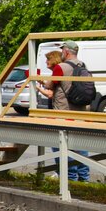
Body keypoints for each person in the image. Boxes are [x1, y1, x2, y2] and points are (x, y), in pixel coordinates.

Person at [37, 40, 90, 182]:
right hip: (79, 112)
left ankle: (70, 177)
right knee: (81, 147)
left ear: (66, 52)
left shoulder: (61, 67)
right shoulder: (82, 65)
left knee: (61, 146)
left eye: (62, 51)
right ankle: (84, 177)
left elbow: (50, 86)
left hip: (63, 112)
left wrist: (40, 82)